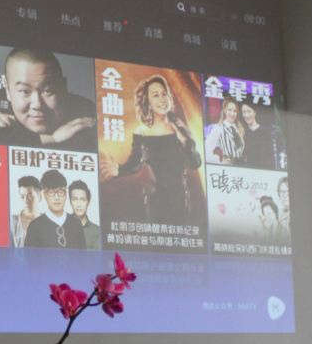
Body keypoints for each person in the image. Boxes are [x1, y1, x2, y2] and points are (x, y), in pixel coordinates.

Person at [102, 74, 203, 225]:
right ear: (147, 102)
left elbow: (195, 163)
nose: (162, 99)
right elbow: (135, 163)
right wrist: (119, 170)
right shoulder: (142, 132)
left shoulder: (179, 126)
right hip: (157, 202)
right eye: (155, 95)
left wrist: (185, 141)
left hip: (182, 201)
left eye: (164, 94)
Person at [0, 48, 96, 152]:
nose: (37, 104)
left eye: (48, 90)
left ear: (63, 87)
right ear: (7, 90)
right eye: (25, 91)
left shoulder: (84, 110)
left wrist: (14, 134)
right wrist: (51, 139)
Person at [24, 169, 86, 249]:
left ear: (66, 194)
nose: (57, 198)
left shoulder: (76, 224)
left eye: (60, 192)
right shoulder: (35, 226)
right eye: (51, 192)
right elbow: (29, 256)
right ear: (44, 195)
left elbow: (83, 255)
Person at [205, 99, 244, 164]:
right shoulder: (218, 128)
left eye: (235, 111)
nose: (232, 114)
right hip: (228, 166)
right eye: (229, 110)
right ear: (225, 111)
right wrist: (219, 161)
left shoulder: (239, 128)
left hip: (241, 166)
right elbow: (206, 150)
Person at [239, 102, 276, 168]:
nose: (246, 115)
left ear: (254, 112)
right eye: (244, 112)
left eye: (249, 111)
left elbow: (270, 157)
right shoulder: (242, 132)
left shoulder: (265, 132)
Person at [10, 175, 42, 247]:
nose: (26, 200)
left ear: (39, 195)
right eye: (22, 196)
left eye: (30, 195)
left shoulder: (48, 222)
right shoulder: (12, 222)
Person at [68, 180, 100, 250]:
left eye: (82, 199)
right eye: (75, 199)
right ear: (70, 201)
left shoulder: (97, 231)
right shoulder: (63, 227)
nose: (79, 204)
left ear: (88, 202)